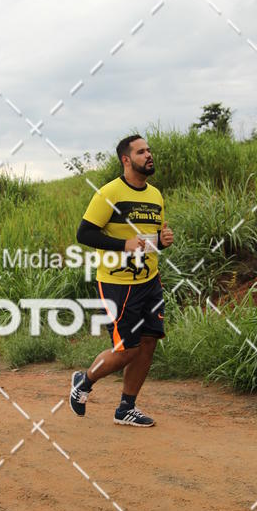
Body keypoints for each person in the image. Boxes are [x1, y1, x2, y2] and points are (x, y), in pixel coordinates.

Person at [69, 134, 174, 427]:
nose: (149, 155)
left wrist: (163, 242)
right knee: (127, 349)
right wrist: (122, 245)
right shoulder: (109, 193)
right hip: (117, 282)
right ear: (126, 160)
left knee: (149, 341)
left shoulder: (155, 195)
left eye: (149, 150)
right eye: (142, 152)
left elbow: (149, 240)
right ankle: (84, 381)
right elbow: (84, 234)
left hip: (150, 279)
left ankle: (126, 408)